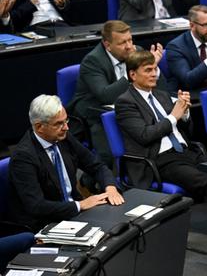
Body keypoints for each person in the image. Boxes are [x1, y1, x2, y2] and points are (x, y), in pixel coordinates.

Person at [115, 50, 207, 251]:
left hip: (186, 152)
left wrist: (185, 114)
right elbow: (144, 135)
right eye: (148, 70)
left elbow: (186, 132)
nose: (154, 74)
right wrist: (173, 117)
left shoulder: (160, 94)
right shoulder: (125, 102)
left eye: (155, 69)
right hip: (159, 160)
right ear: (133, 75)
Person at [8, 95, 124, 232]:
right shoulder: (23, 157)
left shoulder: (63, 137)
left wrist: (110, 187)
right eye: (59, 124)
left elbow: (96, 165)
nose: (66, 127)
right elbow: (36, 206)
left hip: (75, 213)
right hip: (47, 223)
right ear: (39, 127)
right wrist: (80, 205)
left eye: (66, 120)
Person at [70, 20, 165, 165]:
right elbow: (105, 95)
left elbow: (162, 88)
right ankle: (90, 182)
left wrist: (154, 67)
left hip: (128, 105)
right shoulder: (93, 61)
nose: (129, 47)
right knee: (108, 150)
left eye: (130, 40)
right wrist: (131, 72)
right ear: (107, 45)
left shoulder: (136, 50)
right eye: (122, 43)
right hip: (95, 111)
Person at [165, 5, 207, 92]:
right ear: (192, 26)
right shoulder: (176, 47)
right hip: (191, 98)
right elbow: (187, 80)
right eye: (206, 25)